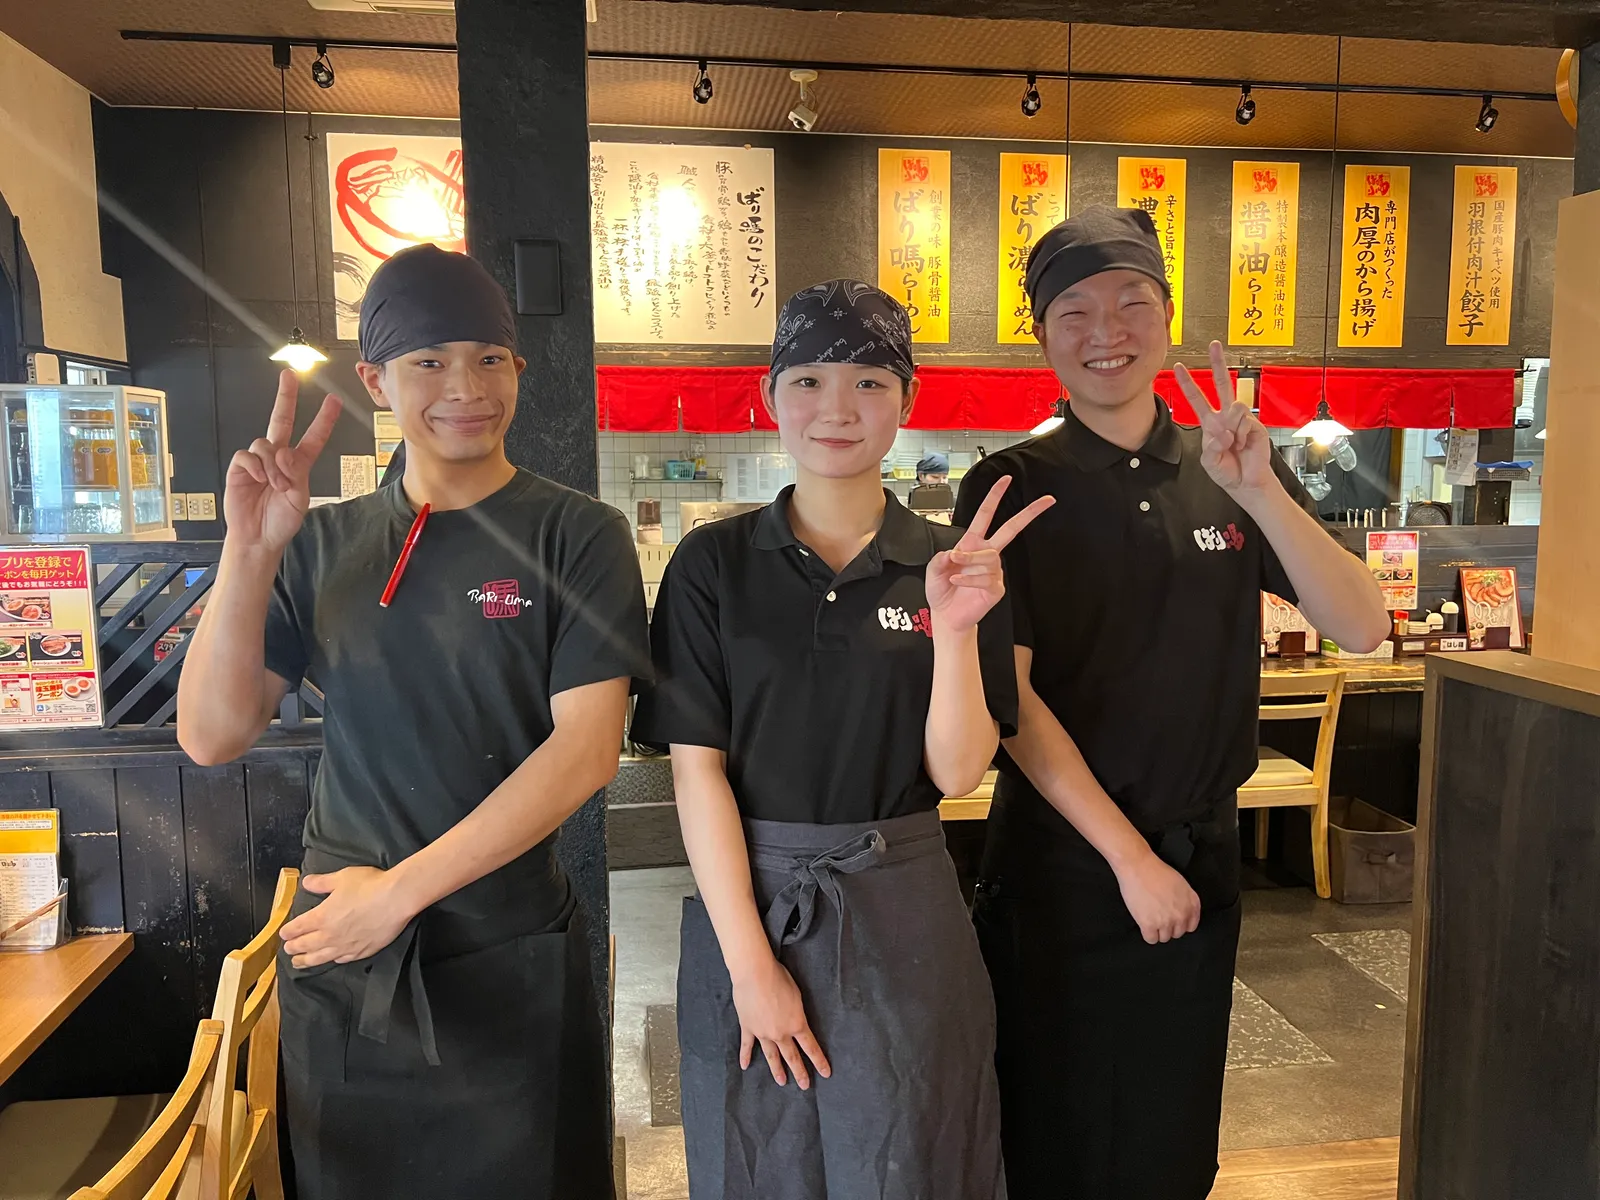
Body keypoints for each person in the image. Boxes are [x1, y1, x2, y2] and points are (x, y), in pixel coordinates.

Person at [176, 244, 650, 1200]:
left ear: (519, 367)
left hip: (503, 948)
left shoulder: (579, 533)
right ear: (375, 381)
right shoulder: (320, 543)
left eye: (488, 357)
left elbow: (587, 750)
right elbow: (212, 734)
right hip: (348, 963)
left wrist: (400, 893)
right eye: (429, 361)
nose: (464, 387)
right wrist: (249, 552)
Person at [954, 207, 1390, 1199]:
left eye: (1128, 302)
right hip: (1070, 867)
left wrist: (1264, 490)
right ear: (1040, 335)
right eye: (1074, 310)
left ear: (1164, 319)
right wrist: (1127, 860)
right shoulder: (1012, 482)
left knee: (1169, 1140)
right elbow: (1009, 699)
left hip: (1201, 854)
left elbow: (1362, 625)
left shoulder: (1228, 468)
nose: (1103, 330)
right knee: (1056, 1137)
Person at [632, 279, 1052, 1200]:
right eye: (810, 380)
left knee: (915, 1158)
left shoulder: (955, 564)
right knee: (760, 1162)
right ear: (769, 397)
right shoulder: (714, 565)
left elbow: (957, 770)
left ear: (907, 400)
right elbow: (697, 774)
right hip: (753, 909)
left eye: (868, 381)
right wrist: (752, 967)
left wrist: (952, 628)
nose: (837, 408)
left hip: (903, 910)